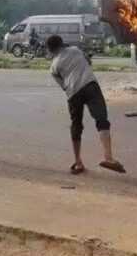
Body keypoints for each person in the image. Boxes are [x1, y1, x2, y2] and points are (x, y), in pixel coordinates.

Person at [47, 35, 125, 175]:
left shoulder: (53, 67)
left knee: (76, 126)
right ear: (62, 44)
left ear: (51, 50)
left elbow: (63, 86)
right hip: (89, 85)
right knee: (101, 119)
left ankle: (78, 162)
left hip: (73, 94)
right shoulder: (75, 50)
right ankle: (108, 157)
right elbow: (88, 61)